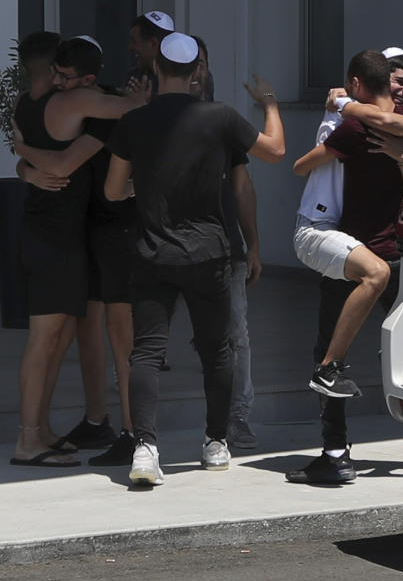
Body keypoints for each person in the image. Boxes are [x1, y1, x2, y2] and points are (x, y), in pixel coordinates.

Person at [104, 33, 285, 486]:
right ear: (197, 72)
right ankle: (216, 442)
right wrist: (269, 104)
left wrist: (141, 189)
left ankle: (145, 449)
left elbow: (112, 191)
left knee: (145, 351)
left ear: (156, 71)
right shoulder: (220, 117)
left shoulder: (134, 121)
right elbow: (276, 151)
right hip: (209, 253)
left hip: (151, 252)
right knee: (216, 350)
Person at [284, 50, 403, 485]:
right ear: (388, 82)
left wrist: (334, 137)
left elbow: (299, 166)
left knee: (330, 354)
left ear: (357, 83)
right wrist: (401, 154)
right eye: (399, 81)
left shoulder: (353, 126)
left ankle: (335, 452)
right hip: (390, 253)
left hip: (358, 252)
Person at [10, 32, 145, 468]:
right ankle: (29, 438)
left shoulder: (22, 104)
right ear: (53, 70)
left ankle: (42, 430)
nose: (65, 80)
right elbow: (132, 112)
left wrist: (23, 160)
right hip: (56, 237)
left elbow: (45, 157)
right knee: (44, 340)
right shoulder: (68, 103)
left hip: (51, 231)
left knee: (56, 338)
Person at [190, 35, 261, 449]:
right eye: (189, 64)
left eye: (202, 63)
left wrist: (252, 244)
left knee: (237, 336)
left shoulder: (223, 119)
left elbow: (243, 186)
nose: (196, 71)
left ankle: (237, 419)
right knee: (149, 343)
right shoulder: (155, 117)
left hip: (224, 247)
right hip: (166, 247)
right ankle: (138, 430)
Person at [125, 11, 174, 98]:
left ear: (152, 43)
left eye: (134, 41)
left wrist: (143, 105)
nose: (130, 47)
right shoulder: (134, 76)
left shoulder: (181, 74)